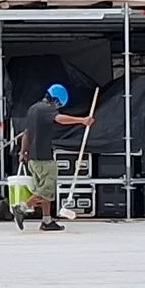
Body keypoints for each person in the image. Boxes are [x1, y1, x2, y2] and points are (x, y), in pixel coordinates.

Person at [16, 83, 94, 232]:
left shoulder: (33, 109)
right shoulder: (46, 109)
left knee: (44, 189)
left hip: (32, 159)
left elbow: (26, 133)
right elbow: (59, 119)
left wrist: (23, 152)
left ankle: (47, 220)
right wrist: (82, 121)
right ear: (56, 100)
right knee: (46, 189)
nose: (57, 108)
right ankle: (22, 207)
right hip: (44, 158)